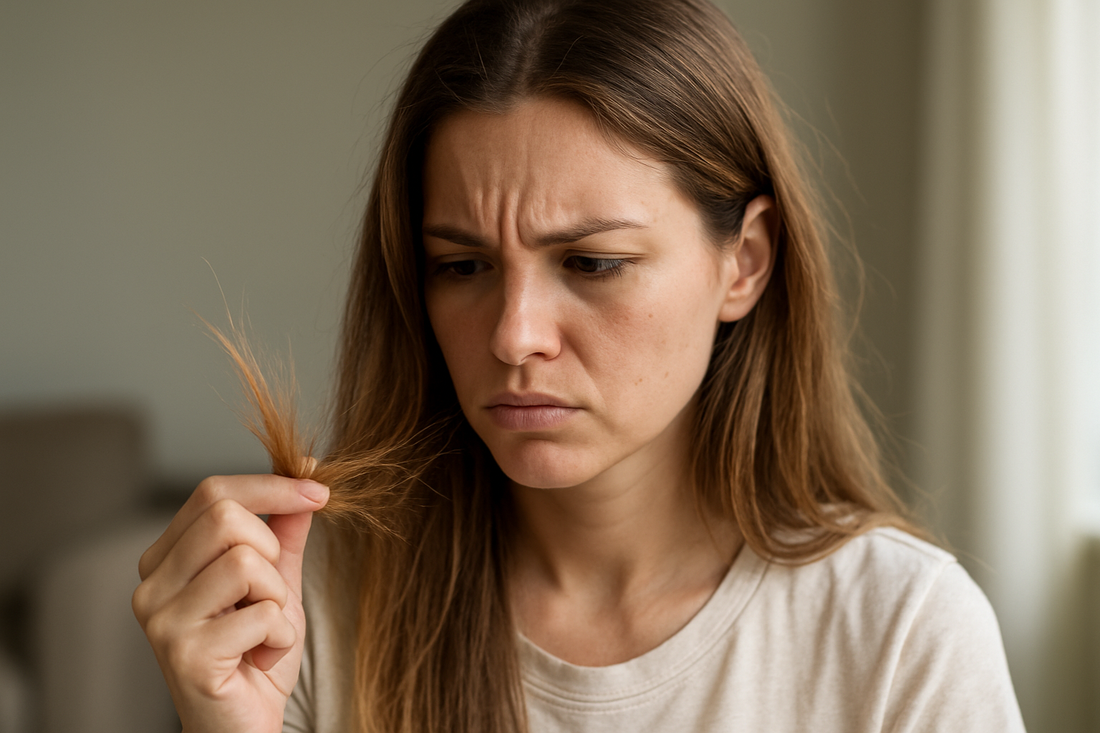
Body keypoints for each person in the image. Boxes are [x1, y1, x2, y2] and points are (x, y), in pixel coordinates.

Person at [132, 0, 1027, 731]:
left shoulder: (900, 632)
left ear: (744, 262)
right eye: (463, 266)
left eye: (593, 262)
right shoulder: (311, 605)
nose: (514, 335)